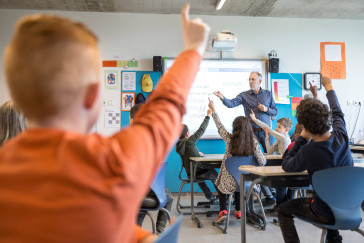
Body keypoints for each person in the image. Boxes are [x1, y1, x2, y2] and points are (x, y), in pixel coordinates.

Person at [0, 4, 210, 243]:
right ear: (92, 96)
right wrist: (194, 49)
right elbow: (165, 108)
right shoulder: (110, 161)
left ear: (18, 98)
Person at [277, 75, 353, 243]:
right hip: (350, 208)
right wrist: (328, 86)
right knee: (330, 199)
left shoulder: (309, 150)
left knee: (282, 209)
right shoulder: (341, 136)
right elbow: (337, 110)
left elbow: (287, 165)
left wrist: (301, 138)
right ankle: (334, 239)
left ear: (303, 126)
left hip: (323, 212)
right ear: (327, 117)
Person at [208, 99, 266, 223]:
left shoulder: (229, 139)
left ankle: (223, 211)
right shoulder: (254, 142)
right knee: (241, 179)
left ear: (235, 128)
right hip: (249, 183)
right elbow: (262, 162)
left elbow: (220, 126)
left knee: (221, 181)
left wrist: (213, 110)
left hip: (229, 183)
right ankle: (239, 210)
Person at [130, 104, 174, 234]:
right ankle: (159, 232)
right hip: (154, 190)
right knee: (169, 198)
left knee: (139, 203)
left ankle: (134, 231)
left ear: (133, 119)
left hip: (137, 190)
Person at [213, 71, 277, 153]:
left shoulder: (268, 94)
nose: (250, 82)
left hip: (267, 132)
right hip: (251, 132)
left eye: (253, 79)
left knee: (271, 157)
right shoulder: (244, 95)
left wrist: (266, 109)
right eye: (249, 79)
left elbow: (274, 112)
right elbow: (231, 104)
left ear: (260, 81)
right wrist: (222, 98)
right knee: (253, 158)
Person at [176, 109, 219, 204]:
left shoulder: (179, 144)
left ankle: (210, 196)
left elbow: (188, 155)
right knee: (212, 172)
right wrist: (208, 115)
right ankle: (224, 196)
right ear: (187, 133)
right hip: (197, 172)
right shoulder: (189, 141)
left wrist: (196, 154)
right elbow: (201, 130)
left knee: (201, 175)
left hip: (190, 173)